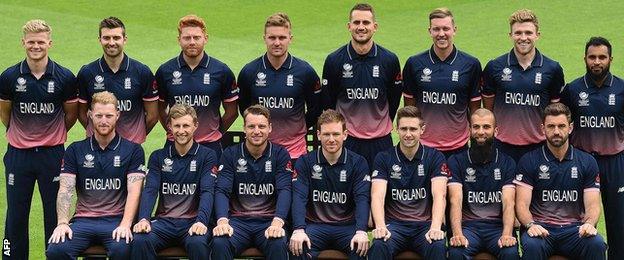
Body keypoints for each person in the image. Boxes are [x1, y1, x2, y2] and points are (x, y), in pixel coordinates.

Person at [0, 19, 78, 259]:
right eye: (31, 42)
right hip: (18, 154)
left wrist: (49, 135)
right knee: (16, 214)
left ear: (50, 43)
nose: (36, 46)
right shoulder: (9, 76)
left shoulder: (64, 77)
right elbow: (5, 114)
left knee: (54, 213)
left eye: (41, 42)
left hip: (52, 154)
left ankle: (55, 255)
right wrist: (24, 136)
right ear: (23, 42)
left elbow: (71, 115)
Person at [46, 91, 145, 260]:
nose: (104, 121)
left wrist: (126, 224)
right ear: (90, 115)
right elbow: (65, 189)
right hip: (83, 221)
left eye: (109, 115)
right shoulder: (75, 150)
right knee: (57, 250)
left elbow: (135, 191)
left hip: (115, 220)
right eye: (99, 115)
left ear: (117, 115)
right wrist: (62, 223)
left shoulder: (133, 150)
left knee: (123, 249)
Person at [514, 102, 606, 259]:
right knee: (532, 245)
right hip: (542, 228)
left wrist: (589, 224)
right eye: (551, 126)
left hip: (574, 230)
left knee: (596, 243)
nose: (556, 131)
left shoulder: (587, 161)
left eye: (561, 126)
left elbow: (593, 205)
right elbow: (521, 205)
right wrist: (530, 225)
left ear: (570, 128)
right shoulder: (529, 160)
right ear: (543, 129)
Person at [560, 36, 622, 259]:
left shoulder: (622, 88)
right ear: (584, 59)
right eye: (592, 57)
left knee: (618, 223)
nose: (597, 62)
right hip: (582, 164)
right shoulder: (573, 90)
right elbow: (560, 124)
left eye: (602, 57)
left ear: (610, 59)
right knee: (578, 222)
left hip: (615, 163)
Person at [321, 3, 402, 168]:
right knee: (347, 191)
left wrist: (380, 122)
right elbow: (328, 103)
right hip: (347, 141)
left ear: (375, 27)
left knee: (380, 190)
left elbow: (394, 99)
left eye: (366, 23)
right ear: (349, 26)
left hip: (381, 142)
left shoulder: (389, 60)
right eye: (356, 23)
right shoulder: (334, 60)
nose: (361, 27)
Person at [131, 104, 216, 259]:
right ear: (169, 126)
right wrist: (144, 219)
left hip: (192, 221)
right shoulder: (158, 156)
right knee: (141, 239)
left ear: (195, 126)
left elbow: (207, 191)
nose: (181, 131)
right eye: (177, 126)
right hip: (164, 222)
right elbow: (150, 190)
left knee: (197, 243)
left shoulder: (207, 156)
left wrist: (201, 221)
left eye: (186, 126)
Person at [481, 9, 565, 162]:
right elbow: (488, 109)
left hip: (539, 148)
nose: (523, 38)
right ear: (510, 35)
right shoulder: (494, 67)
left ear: (537, 35)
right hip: (501, 147)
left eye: (528, 33)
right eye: (518, 33)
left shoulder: (552, 69)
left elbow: (554, 112)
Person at [211, 105, 291, 260]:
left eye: (261, 126)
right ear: (244, 129)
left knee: (278, 243)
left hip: (268, 221)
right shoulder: (230, 154)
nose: (256, 131)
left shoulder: (280, 154)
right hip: (238, 222)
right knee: (220, 243)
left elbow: (285, 190)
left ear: (270, 128)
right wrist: (222, 220)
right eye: (251, 126)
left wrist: (278, 221)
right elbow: (222, 190)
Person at [368, 106, 448, 259]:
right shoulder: (383, 158)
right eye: (403, 129)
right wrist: (380, 226)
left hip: (424, 226)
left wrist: (435, 227)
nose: (408, 134)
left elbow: (440, 195)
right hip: (395, 226)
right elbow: (377, 196)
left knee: (437, 245)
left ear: (422, 129)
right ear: (396, 129)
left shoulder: (435, 157)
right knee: (379, 245)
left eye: (413, 129)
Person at [238, 12, 321, 160]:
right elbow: (244, 109)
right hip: (259, 151)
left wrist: (298, 127)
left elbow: (316, 109)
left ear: (290, 38)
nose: (277, 42)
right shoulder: (249, 72)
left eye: (282, 37)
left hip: (295, 152)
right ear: (265, 39)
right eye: (272, 38)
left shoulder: (305, 71)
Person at [290, 109, 371, 260]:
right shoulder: (305, 162)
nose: (331, 139)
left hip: (346, 227)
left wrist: (361, 231)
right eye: (326, 134)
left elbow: (362, 199)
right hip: (315, 226)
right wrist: (299, 229)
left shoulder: (358, 163)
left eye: (336, 134)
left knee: (361, 248)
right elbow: (299, 198)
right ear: (318, 135)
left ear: (345, 135)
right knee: (297, 247)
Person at [402, 7, 482, 158]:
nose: (441, 34)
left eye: (446, 28)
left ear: (454, 30)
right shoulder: (414, 63)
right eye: (436, 29)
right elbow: (410, 109)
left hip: (459, 147)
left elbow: (475, 110)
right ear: (429, 31)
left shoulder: (471, 64)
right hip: (424, 147)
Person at [155, 14, 238, 157]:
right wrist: (173, 130)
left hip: (211, 146)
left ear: (205, 38)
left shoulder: (221, 71)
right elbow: (159, 109)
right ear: (179, 40)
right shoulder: (165, 71)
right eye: (187, 38)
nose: (192, 42)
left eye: (197, 37)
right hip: (175, 144)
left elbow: (232, 112)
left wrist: (215, 132)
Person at [447, 109, 519, 259]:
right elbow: (455, 201)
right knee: (456, 252)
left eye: (486, 127)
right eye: (476, 127)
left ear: (496, 131)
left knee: (510, 252)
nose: (481, 132)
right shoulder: (456, 161)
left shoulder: (507, 162)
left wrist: (506, 234)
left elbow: (508, 202)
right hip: (468, 227)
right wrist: (457, 234)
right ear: (469, 130)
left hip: (496, 227)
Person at [76, 17, 158, 144]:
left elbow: (153, 116)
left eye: (116, 38)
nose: (111, 42)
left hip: (131, 147)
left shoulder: (142, 72)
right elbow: (81, 114)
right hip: (98, 146)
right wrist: (98, 132)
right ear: (99, 40)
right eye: (106, 38)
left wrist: (135, 136)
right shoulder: (87, 72)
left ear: (124, 40)